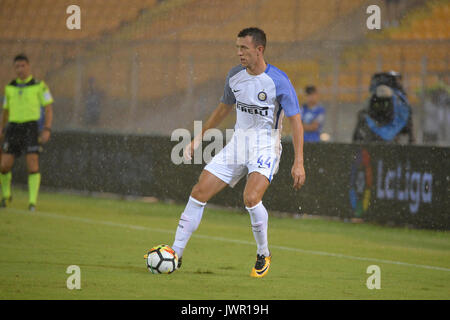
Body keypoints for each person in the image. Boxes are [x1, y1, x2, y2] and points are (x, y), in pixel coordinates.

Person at [171, 27, 306, 278]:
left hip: (266, 145)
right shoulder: (234, 76)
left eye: (244, 48)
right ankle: (175, 253)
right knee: (199, 191)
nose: (239, 53)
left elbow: (296, 121)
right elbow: (222, 110)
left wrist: (298, 162)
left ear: (259, 50)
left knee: (251, 198)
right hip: (237, 143)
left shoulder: (278, 81)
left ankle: (263, 253)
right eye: (237, 48)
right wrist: (198, 138)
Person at [0, 54, 54, 211]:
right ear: (14, 68)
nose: (20, 69)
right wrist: (2, 128)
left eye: (23, 66)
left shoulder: (40, 85)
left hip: (30, 128)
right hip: (13, 128)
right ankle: (6, 196)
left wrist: (47, 128)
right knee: (4, 166)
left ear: (29, 67)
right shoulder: (9, 87)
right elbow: (6, 111)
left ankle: (32, 202)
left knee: (32, 165)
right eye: (17, 66)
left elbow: (48, 108)